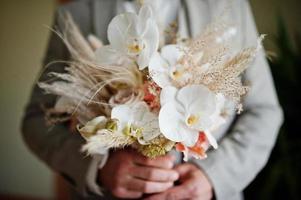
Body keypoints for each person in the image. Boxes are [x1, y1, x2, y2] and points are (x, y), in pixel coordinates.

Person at [22, 0, 283, 199]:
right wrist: (97, 168)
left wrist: (213, 176)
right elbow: (37, 120)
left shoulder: (230, 6)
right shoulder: (75, 15)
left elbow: (265, 110)